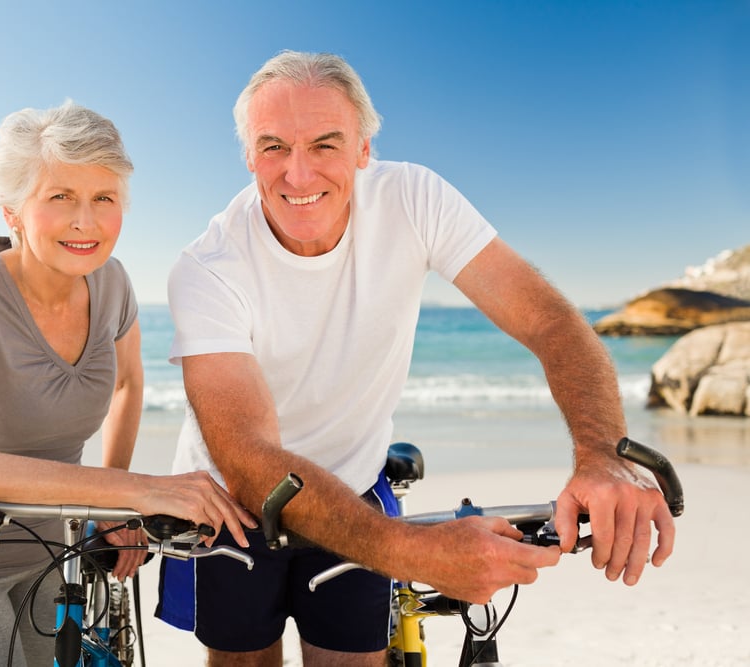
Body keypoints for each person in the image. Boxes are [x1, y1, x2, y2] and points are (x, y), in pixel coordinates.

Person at [156, 51, 676, 666]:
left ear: (363, 150)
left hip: (353, 485)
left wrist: (602, 455)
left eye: (325, 144)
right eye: (273, 147)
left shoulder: (414, 198)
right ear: (248, 157)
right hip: (235, 503)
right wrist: (416, 553)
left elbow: (550, 319)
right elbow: (248, 459)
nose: (298, 175)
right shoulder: (208, 267)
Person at [0, 101, 256, 667]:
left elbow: (129, 384)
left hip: (53, 545)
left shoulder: (113, 282)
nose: (86, 221)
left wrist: (108, 500)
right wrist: (137, 492)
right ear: (13, 212)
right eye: (61, 197)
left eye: (103, 199)